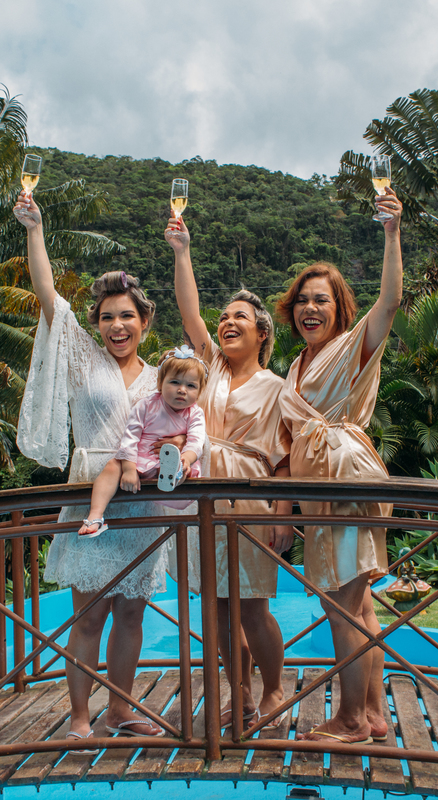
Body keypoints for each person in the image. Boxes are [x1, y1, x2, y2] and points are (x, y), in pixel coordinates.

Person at [14, 190, 169, 749]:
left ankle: (119, 711)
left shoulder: (163, 375)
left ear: (144, 321)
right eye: (108, 317)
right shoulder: (82, 354)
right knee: (88, 618)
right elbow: (50, 298)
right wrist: (36, 231)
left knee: (132, 618)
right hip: (91, 501)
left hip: (145, 503)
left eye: (127, 315)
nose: (117, 325)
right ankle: (80, 717)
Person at [278, 188, 404, 745]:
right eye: (303, 299)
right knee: (358, 605)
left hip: (346, 477)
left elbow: (391, 301)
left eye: (322, 300)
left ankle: (350, 720)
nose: (311, 308)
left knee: (343, 606)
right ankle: (374, 716)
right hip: (318, 487)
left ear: (340, 308)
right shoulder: (294, 364)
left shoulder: (353, 346)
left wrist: (392, 233)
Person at [167, 214, 295, 731]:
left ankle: (273, 688)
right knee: (216, 609)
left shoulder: (278, 386)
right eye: (225, 316)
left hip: (249, 494)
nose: (228, 321)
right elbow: (189, 310)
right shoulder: (211, 367)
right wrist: (182, 251)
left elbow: (285, 460)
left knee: (253, 607)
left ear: (262, 332)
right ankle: (238, 694)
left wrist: (284, 515)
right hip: (202, 493)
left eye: (240, 316)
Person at [78, 348, 209, 537]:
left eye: (191, 386)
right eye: (174, 382)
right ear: (160, 383)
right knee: (112, 467)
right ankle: (95, 516)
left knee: (183, 469)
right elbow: (130, 436)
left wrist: (186, 459)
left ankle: (175, 473)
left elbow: (196, 441)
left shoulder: (195, 413)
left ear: (200, 391)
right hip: (141, 459)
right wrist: (129, 469)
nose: (182, 390)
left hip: (173, 462)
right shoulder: (147, 405)